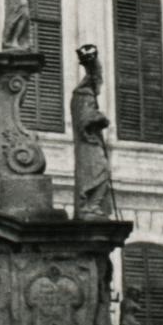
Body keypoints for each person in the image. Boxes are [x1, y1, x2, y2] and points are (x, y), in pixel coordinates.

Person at [70, 43, 114, 219]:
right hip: (88, 143)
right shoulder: (83, 94)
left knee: (102, 170)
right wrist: (100, 118)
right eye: (98, 79)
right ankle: (89, 205)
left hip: (92, 141)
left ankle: (93, 205)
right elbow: (84, 119)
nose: (99, 84)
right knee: (100, 170)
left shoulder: (86, 94)